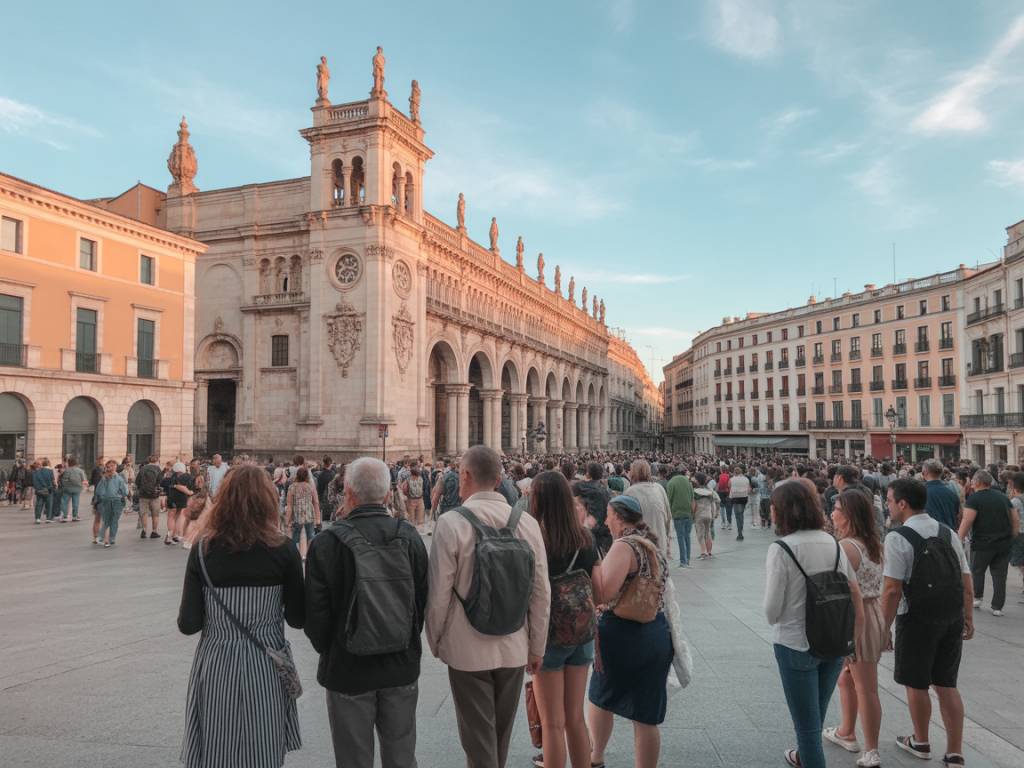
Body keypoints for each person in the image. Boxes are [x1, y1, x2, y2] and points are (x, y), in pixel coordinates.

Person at [425, 445, 550, 768]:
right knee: (500, 735)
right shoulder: (526, 523)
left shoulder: (451, 523)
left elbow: (438, 592)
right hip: (513, 645)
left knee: (478, 740)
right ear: (499, 479)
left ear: (465, 475)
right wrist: (536, 646)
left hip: (466, 649)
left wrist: (436, 641)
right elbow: (540, 592)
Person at [177, 465, 304, 768]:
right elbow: (299, 618)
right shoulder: (284, 550)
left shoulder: (203, 549)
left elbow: (188, 624)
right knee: (263, 745)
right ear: (268, 500)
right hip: (266, 663)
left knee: (217, 745)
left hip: (217, 662)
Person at [304, 457, 428, 768]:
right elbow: (422, 600)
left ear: (348, 492)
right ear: (388, 494)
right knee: (401, 755)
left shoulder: (326, 543)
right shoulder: (409, 536)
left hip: (348, 667)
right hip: (400, 663)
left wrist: (331, 647)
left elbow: (316, 615)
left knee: (353, 759)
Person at [764, 479, 864, 768]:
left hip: (795, 643)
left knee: (807, 730)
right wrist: (853, 639)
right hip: (833, 640)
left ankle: (807, 757)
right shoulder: (832, 542)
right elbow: (853, 590)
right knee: (815, 716)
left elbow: (772, 611)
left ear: (783, 511)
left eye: (773, 506)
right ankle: (802, 756)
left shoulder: (782, 548)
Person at [883, 477, 973, 765]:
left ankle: (920, 741)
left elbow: (892, 589)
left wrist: (884, 628)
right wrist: (968, 616)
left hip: (917, 618)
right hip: (951, 616)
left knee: (917, 682)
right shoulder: (948, 533)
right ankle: (955, 752)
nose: (887, 506)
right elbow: (965, 579)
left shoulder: (898, 538)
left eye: (889, 501)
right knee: (947, 683)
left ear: (902, 504)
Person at [588, 495, 673, 768]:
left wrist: (592, 565)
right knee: (646, 715)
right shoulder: (652, 545)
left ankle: (596, 757)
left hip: (623, 634)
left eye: (609, 515)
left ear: (620, 518)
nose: (605, 520)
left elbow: (603, 593)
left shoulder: (624, 546)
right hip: (656, 632)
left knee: (601, 696)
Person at [528, 470, 601, 768]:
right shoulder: (584, 536)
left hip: (548, 636)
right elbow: (599, 589)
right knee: (574, 718)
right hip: (581, 633)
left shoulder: (535, 537)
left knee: (552, 723)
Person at [825, 489, 886, 768]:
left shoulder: (847, 547)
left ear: (848, 514)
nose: (832, 513)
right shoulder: (872, 543)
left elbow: (838, 587)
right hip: (873, 611)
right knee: (846, 678)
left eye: (836, 508)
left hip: (856, 617)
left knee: (866, 686)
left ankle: (872, 749)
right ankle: (846, 731)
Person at [959, 469, 1018, 616]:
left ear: (978, 482)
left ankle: (978, 598)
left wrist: (958, 538)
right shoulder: (1003, 497)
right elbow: (1015, 519)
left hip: (982, 543)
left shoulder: (974, 499)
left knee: (977, 571)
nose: (971, 483)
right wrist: (1012, 536)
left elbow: (968, 520)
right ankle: (997, 607)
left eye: (972, 481)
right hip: (1004, 543)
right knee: (1000, 575)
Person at [624, 459, 672, 559]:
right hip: (660, 541)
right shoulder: (659, 488)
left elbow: (626, 522)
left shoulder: (630, 492)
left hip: (641, 544)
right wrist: (667, 539)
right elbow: (668, 517)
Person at [285, 466, 321, 560]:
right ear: (307, 476)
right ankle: (309, 555)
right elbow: (316, 503)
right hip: (309, 514)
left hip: (297, 515)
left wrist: (287, 520)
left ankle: (295, 556)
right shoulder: (310, 487)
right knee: (310, 536)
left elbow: (289, 506)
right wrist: (318, 519)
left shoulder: (292, 487)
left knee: (294, 538)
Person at [93, 459, 128, 547]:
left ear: (116, 467)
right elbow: (99, 491)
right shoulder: (104, 479)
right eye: (109, 466)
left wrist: (120, 496)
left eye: (113, 466)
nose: (111, 468)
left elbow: (125, 491)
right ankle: (101, 538)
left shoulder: (119, 478)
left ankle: (111, 538)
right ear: (107, 468)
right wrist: (104, 496)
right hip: (106, 501)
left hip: (117, 502)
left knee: (114, 520)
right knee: (107, 520)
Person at [666, 466, 695, 567]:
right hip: (688, 513)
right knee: (687, 537)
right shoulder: (688, 482)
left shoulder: (671, 483)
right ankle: (687, 560)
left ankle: (683, 561)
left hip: (677, 513)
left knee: (680, 537)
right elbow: (692, 499)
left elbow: (668, 500)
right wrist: (693, 514)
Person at [923, 459, 960, 528]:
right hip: (950, 534)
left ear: (925, 473)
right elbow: (957, 516)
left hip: (931, 534)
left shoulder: (921, 493)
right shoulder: (952, 493)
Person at [136, 455, 163, 539]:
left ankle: (144, 530)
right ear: (157, 461)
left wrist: (142, 488)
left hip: (143, 495)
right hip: (154, 495)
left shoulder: (143, 468)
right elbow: (160, 481)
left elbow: (137, 481)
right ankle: (154, 532)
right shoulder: (158, 469)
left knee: (144, 513)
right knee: (155, 514)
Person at [693, 472, 719, 559]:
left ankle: (703, 553)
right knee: (708, 533)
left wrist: (692, 514)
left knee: (700, 534)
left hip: (699, 514)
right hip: (709, 514)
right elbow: (717, 500)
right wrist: (715, 512)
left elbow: (694, 505)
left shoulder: (695, 491)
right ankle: (709, 552)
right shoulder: (710, 491)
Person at [166, 461, 193, 546]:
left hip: (172, 498)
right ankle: (175, 535)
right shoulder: (187, 476)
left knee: (171, 516)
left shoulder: (172, 476)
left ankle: (170, 536)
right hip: (182, 498)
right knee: (177, 516)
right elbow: (187, 486)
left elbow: (178, 487)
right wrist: (190, 492)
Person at [58, 456, 87, 523]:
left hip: (68, 489)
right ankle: (75, 516)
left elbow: (64, 480)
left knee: (64, 502)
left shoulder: (67, 470)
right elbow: (84, 480)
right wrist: (82, 486)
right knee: (75, 502)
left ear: (69, 463)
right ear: (76, 463)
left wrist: (65, 486)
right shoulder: (80, 471)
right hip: (77, 489)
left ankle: (65, 516)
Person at [728, 464, 752, 541]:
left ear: (734, 472)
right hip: (744, 497)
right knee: (741, 514)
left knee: (738, 516)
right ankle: (741, 528)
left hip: (735, 498)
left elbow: (729, 486)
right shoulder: (746, 479)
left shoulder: (731, 479)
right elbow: (749, 489)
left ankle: (740, 532)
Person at [401, 463, 426, 530]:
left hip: (412, 500)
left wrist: (407, 495)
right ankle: (419, 532)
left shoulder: (408, 480)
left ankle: (413, 532)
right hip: (419, 499)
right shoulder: (420, 478)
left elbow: (404, 489)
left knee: (411, 520)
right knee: (419, 519)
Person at [32, 458, 56, 524]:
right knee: (49, 504)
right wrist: (53, 487)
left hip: (39, 490)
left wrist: (37, 489)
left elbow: (34, 482)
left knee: (39, 504)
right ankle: (48, 518)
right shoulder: (50, 471)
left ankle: (37, 518)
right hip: (48, 490)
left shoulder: (35, 472)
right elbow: (53, 481)